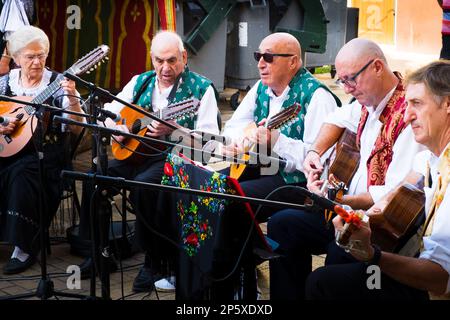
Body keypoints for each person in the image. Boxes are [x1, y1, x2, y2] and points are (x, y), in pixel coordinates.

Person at [268, 38, 424, 300]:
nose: (347, 89)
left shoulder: (408, 114)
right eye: (342, 81)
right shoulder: (367, 98)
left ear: (376, 67)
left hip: (376, 223)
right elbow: (336, 118)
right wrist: (315, 154)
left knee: (339, 253)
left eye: (351, 79)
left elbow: (394, 194)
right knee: (282, 225)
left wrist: (338, 200)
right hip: (343, 209)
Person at [76, 30, 220, 292]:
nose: (165, 68)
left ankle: (155, 262)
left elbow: (210, 142)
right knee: (94, 176)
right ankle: (99, 254)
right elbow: (109, 116)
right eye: (159, 61)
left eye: (172, 60)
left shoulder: (201, 89)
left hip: (175, 159)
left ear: (184, 57)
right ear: (152, 59)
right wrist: (122, 131)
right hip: (135, 153)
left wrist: (174, 130)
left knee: (143, 186)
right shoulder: (140, 82)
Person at [306, 60, 450, 300]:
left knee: (323, 283)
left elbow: (440, 277)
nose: (406, 117)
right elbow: (389, 201)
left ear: (447, 105)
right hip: (422, 269)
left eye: (416, 104)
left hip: (433, 288)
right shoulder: (428, 159)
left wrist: (372, 255)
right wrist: (353, 216)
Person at [221, 32, 341, 222]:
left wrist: (277, 141)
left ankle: (245, 249)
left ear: (292, 62)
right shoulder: (261, 87)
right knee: (209, 187)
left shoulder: (317, 96)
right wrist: (237, 142)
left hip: (298, 182)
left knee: (230, 200)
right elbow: (235, 125)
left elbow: (321, 162)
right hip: (261, 167)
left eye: (268, 57)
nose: (260, 63)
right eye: (257, 56)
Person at [0, 25, 84, 274]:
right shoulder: (4, 84)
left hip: (47, 156)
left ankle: (25, 246)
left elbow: (78, 129)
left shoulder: (59, 84)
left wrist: (73, 100)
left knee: (22, 173)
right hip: (8, 150)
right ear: (16, 59)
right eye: (30, 56)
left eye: (41, 55)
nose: (37, 62)